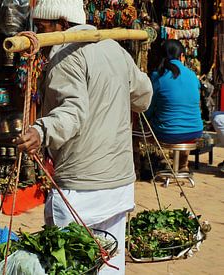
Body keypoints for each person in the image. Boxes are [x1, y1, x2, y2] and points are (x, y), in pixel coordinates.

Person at [15, 0, 153, 273]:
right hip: (119, 183)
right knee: (109, 263)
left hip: (82, 189)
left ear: (63, 25)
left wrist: (41, 130)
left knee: (68, 265)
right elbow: (144, 95)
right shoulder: (114, 48)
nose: (40, 36)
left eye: (43, 28)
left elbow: (72, 113)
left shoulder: (65, 57)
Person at [145, 39, 203, 171]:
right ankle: (183, 166)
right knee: (181, 125)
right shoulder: (193, 75)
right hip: (195, 132)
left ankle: (147, 164)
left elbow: (150, 106)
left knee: (141, 127)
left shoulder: (157, 76)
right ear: (182, 56)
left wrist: (145, 118)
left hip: (168, 134)